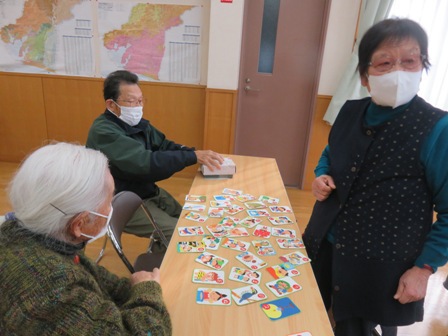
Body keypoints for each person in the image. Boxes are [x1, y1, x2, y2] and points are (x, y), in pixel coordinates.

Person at [303, 18, 448, 336]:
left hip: (382, 261)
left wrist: (424, 268)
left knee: (360, 325)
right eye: (385, 62)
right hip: (325, 242)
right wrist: (321, 174)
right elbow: (332, 154)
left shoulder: (437, 128)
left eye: (410, 61)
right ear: (366, 76)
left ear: (423, 67)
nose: (399, 72)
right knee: (313, 312)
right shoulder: (349, 111)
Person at [0, 142, 172, 335]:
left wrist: (138, 286)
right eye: (109, 200)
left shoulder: (39, 236)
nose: (111, 208)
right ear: (79, 224)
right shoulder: (49, 288)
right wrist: (147, 291)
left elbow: (100, 281)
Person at [86, 70, 224, 248]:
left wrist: (194, 153)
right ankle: (165, 260)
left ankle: (162, 248)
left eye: (140, 100)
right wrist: (191, 156)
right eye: (131, 101)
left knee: (191, 221)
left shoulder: (136, 124)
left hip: (145, 192)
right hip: (120, 203)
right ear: (111, 105)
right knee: (183, 235)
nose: (138, 106)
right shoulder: (104, 131)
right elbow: (147, 163)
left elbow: (164, 145)